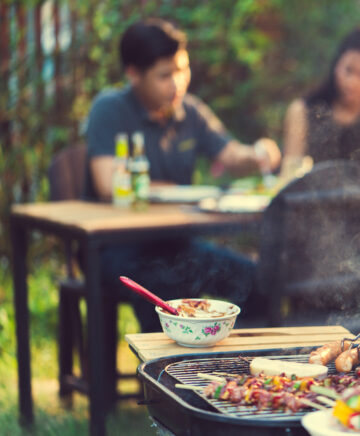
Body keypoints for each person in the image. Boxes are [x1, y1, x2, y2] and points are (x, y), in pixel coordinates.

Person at [83, 18, 280, 331]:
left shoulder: (189, 111)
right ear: (133, 73)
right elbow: (108, 184)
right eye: (165, 75)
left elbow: (230, 154)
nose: (177, 83)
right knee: (167, 282)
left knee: (255, 281)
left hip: (177, 245)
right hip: (119, 247)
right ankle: (166, 374)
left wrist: (258, 153)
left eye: (182, 70)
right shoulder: (110, 109)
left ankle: (234, 367)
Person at [281, 23, 360, 176]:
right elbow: (290, 174)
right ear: (336, 64)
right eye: (348, 70)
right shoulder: (303, 110)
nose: (352, 82)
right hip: (311, 198)